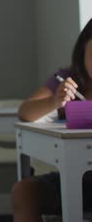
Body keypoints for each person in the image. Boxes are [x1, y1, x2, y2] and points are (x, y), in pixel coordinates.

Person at [13, 18, 92, 221]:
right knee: (25, 191)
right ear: (84, 47)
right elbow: (25, 112)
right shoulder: (69, 78)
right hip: (81, 179)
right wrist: (55, 101)